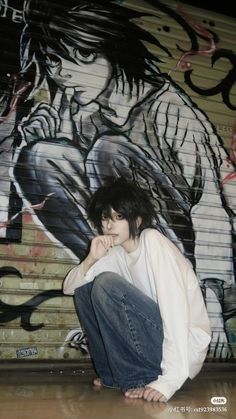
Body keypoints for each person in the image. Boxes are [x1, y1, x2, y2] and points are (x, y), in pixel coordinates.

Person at [63, 177, 211, 402]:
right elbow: (70, 288)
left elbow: (175, 311)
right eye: (105, 218)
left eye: (119, 217)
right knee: (86, 290)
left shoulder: (153, 242)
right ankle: (112, 375)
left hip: (184, 349)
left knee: (105, 284)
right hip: (154, 340)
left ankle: (141, 376)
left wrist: (169, 380)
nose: (109, 225)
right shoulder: (115, 255)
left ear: (138, 219)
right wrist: (91, 259)